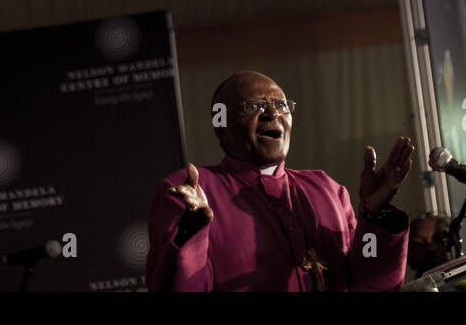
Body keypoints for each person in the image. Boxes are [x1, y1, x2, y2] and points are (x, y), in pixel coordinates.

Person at [146, 70, 414, 291]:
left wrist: (375, 218)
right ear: (222, 128)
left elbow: (369, 285)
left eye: (282, 105)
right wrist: (191, 235)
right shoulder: (191, 191)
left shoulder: (326, 189)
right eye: (254, 106)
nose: (272, 114)